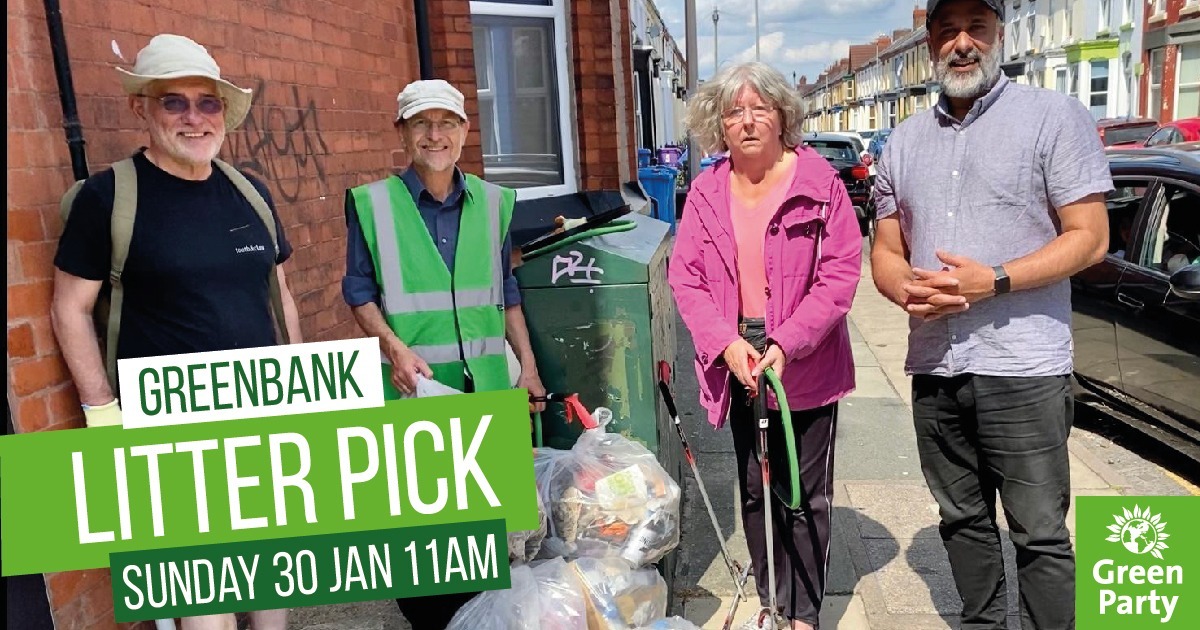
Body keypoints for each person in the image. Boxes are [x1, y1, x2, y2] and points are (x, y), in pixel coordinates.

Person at [870, 1, 1112, 628]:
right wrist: (905, 289)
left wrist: (994, 280)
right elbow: (886, 249)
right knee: (961, 520)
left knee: (1039, 532)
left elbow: (1090, 237)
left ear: (997, 33)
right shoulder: (904, 141)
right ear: (930, 41)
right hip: (935, 364)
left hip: (1024, 367)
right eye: (948, 29)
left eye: (976, 27)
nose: (963, 43)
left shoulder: (1053, 117)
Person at [51, 34, 300, 630]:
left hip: (260, 414)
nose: (194, 117)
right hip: (168, 430)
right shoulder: (108, 197)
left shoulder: (250, 193)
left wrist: (299, 382)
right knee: (204, 600)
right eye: (174, 102)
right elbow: (69, 308)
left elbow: (279, 291)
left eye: (207, 102)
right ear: (141, 109)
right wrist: (102, 413)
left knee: (271, 572)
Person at [341, 79, 546, 629]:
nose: (435, 135)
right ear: (402, 132)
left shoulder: (494, 203)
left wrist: (527, 366)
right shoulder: (372, 205)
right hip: (415, 394)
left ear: (464, 131)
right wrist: (393, 347)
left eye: (447, 123)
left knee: (489, 541)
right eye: (421, 124)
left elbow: (505, 291)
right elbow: (358, 291)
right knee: (426, 545)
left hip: (486, 393)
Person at [669, 62, 862, 630]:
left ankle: (802, 613)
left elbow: (840, 274)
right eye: (735, 112)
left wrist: (788, 341)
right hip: (738, 350)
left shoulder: (819, 184)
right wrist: (725, 344)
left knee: (803, 492)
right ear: (719, 124)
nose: (748, 121)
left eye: (760, 108)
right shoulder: (705, 192)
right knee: (755, 487)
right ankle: (770, 599)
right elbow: (687, 279)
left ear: (782, 116)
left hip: (805, 351)